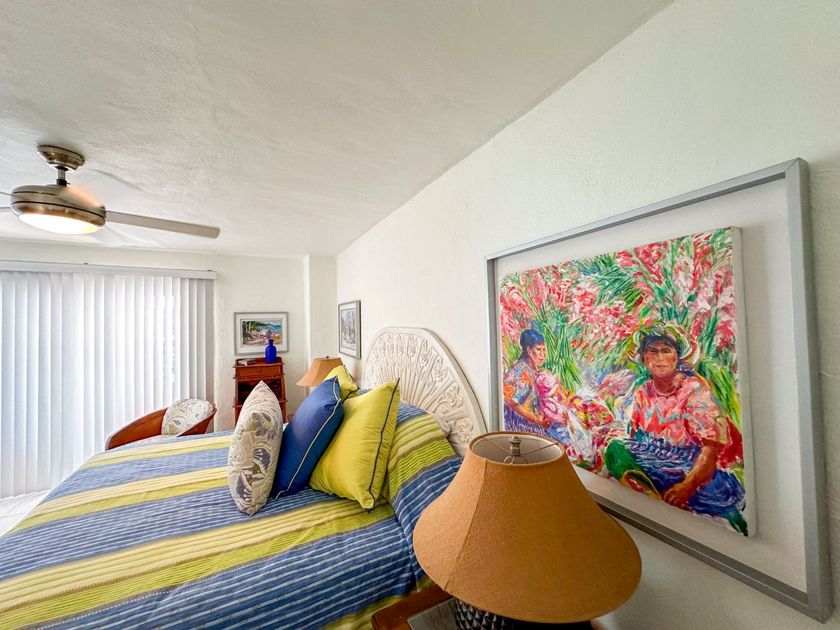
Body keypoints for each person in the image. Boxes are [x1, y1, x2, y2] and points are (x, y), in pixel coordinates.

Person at [605, 329, 747, 534]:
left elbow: (710, 451)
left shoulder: (694, 389)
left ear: (678, 357)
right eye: (652, 351)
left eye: (666, 351)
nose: (659, 358)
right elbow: (637, 438)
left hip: (691, 469)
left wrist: (685, 487)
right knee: (615, 448)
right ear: (644, 357)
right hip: (655, 462)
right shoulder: (644, 391)